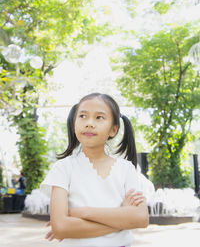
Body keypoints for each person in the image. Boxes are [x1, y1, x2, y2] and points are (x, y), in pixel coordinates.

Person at [40, 93, 149, 247]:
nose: (89, 123)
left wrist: (79, 212)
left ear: (113, 130)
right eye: (83, 116)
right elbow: (61, 228)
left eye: (99, 117)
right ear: (74, 124)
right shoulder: (62, 169)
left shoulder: (126, 169)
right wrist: (122, 217)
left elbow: (140, 219)